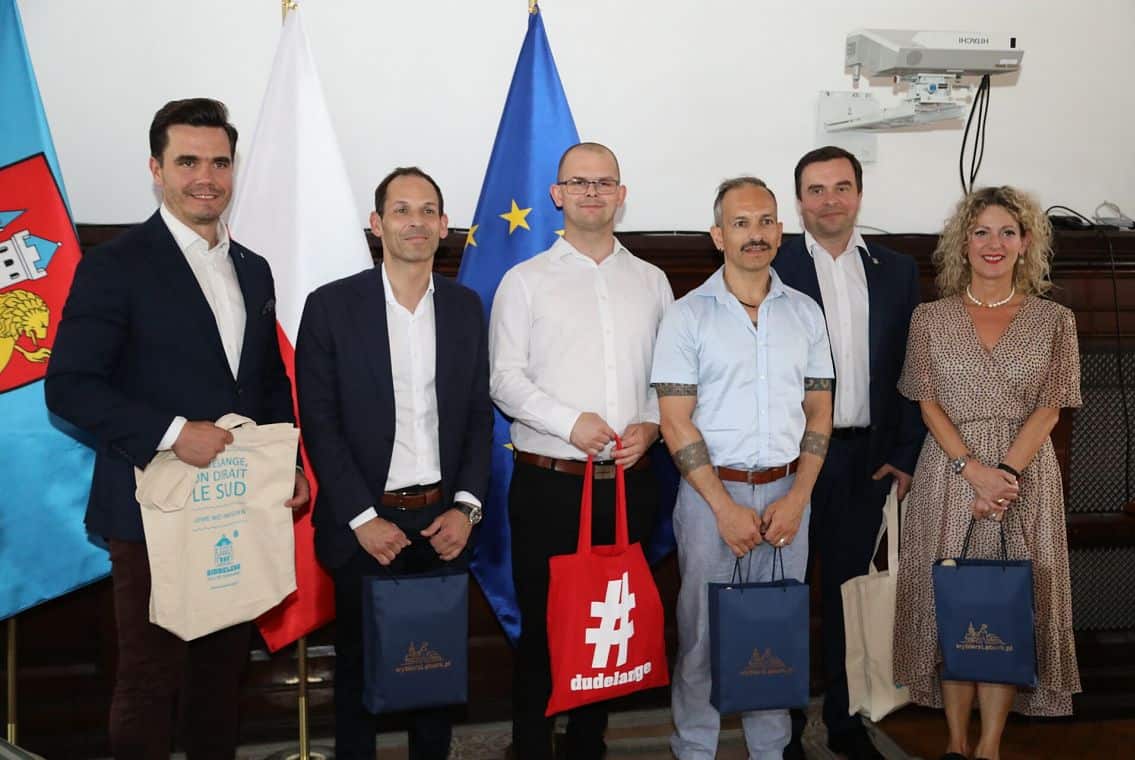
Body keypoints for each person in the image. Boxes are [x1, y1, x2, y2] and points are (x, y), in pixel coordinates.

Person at [44, 98, 309, 759]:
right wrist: (171, 432)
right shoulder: (115, 264)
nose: (206, 178)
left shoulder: (253, 268)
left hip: (235, 507)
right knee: (150, 682)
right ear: (156, 169)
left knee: (220, 681)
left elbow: (267, 383)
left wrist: (289, 465)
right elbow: (69, 386)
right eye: (188, 162)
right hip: (150, 511)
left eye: (220, 162)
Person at [294, 167, 492, 760]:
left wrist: (466, 509)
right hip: (365, 527)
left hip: (442, 524)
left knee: (435, 678)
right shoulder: (331, 307)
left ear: (444, 225)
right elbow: (320, 422)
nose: (416, 222)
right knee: (359, 677)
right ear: (376, 224)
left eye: (428, 210)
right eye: (401, 210)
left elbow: (477, 416)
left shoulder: (465, 307)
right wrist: (361, 518)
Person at [489, 142, 674, 760]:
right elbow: (504, 380)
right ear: (557, 195)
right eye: (578, 182)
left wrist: (652, 424)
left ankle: (588, 744)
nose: (591, 192)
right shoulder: (525, 281)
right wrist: (570, 424)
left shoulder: (652, 281)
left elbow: (671, 378)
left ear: (622, 194)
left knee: (608, 624)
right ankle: (530, 745)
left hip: (629, 484)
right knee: (545, 626)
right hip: (550, 484)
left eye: (603, 182)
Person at [892, 186, 1082, 760]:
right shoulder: (930, 318)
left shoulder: (1056, 320)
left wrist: (1002, 477)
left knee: (1007, 607)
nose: (993, 243)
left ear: (1026, 243)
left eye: (1007, 232)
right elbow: (926, 403)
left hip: (1024, 481)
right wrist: (972, 470)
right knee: (954, 604)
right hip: (948, 475)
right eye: (981, 232)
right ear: (963, 243)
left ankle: (990, 747)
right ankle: (955, 743)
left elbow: (1051, 407)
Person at [652, 177, 834, 760]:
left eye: (765, 221)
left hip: (789, 496)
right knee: (702, 636)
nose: (755, 234)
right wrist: (724, 508)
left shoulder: (806, 313)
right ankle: (695, 749)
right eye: (740, 223)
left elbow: (820, 413)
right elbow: (675, 422)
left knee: (775, 631)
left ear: (780, 231)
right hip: (710, 499)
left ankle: (770, 751)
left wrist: (799, 498)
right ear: (718, 235)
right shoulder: (687, 316)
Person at [772, 145, 923, 760]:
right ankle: (780, 730)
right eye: (816, 189)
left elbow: (913, 366)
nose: (829, 200)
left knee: (846, 596)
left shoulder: (897, 270)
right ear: (799, 201)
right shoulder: (773, 261)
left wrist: (906, 452)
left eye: (841, 187)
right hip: (790, 463)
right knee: (785, 595)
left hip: (867, 461)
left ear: (858, 195)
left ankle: (843, 719)